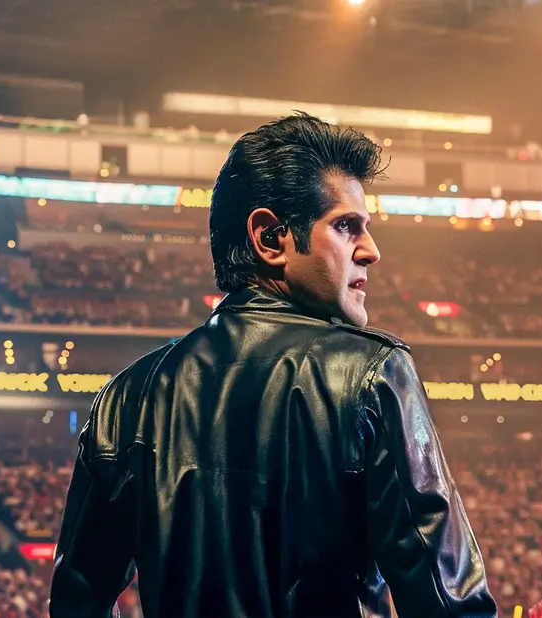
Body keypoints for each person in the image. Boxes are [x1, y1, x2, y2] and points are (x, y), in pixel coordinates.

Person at [50, 113, 499, 618]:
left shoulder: (126, 398)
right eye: (346, 226)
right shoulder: (372, 373)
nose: (371, 251)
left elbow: (74, 603)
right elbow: (450, 604)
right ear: (270, 238)